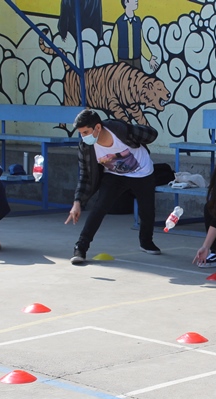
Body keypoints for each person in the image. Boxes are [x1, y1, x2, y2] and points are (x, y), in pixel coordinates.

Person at [65, 108, 159, 264]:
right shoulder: (86, 147)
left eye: (86, 132)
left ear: (98, 127)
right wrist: (77, 202)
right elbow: (85, 176)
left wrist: (139, 134)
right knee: (99, 207)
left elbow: (152, 134)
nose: (84, 136)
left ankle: (146, 242)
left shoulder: (121, 131)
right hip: (115, 175)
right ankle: (80, 247)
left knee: (147, 211)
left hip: (142, 173)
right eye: (81, 133)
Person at [112, 0, 159, 72]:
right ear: (126, 2)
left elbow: (142, 42)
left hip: (137, 61)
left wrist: (149, 57)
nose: (136, 1)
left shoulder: (138, 21)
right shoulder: (119, 22)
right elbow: (113, 44)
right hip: (123, 61)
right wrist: (117, 62)